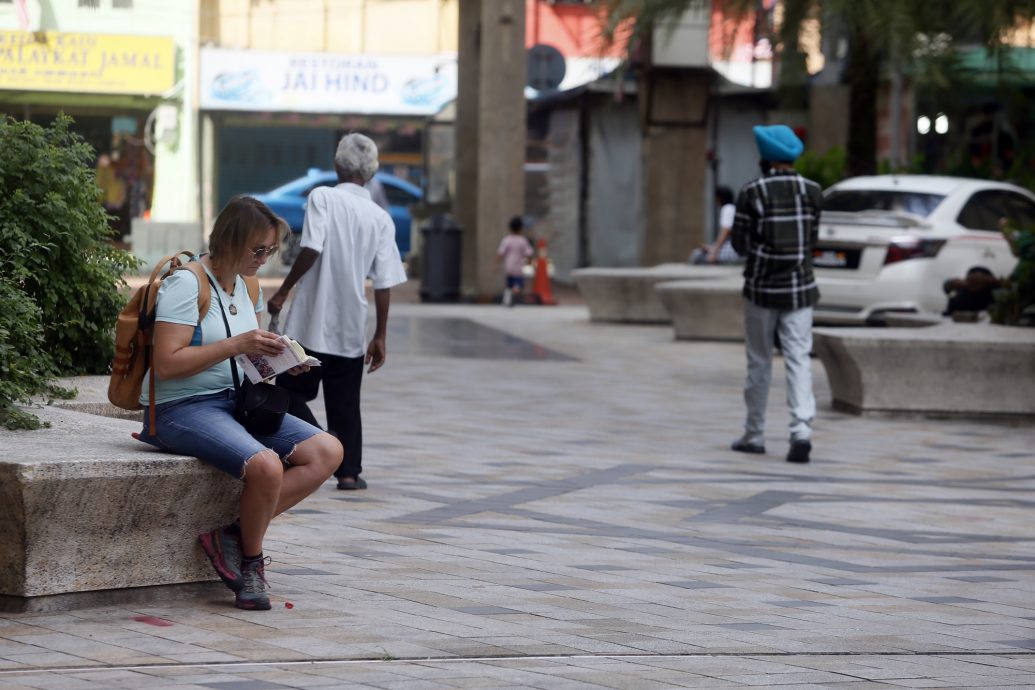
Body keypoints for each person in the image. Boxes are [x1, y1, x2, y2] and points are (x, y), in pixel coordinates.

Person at [136, 196, 343, 610]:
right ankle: (251, 563)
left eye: (271, 250)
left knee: (328, 450)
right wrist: (237, 344)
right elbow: (167, 364)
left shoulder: (247, 286)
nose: (265, 259)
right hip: (181, 408)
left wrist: (281, 363)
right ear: (230, 240)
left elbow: (246, 358)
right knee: (265, 464)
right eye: (258, 250)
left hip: (236, 401)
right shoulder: (187, 284)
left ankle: (232, 534)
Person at [267, 133, 407, 492]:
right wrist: (380, 334)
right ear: (372, 172)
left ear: (336, 165)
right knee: (345, 402)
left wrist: (283, 291)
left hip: (310, 320)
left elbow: (312, 246)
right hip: (350, 324)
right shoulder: (380, 217)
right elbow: (385, 280)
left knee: (287, 393)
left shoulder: (323, 197)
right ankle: (347, 472)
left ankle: (319, 446)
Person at [730, 125, 822, 464]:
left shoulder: (751, 192)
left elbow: (740, 245)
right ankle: (801, 431)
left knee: (759, 360)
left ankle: (754, 434)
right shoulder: (813, 191)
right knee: (799, 357)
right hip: (800, 288)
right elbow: (812, 240)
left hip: (761, 288)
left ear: (764, 158)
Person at [690, 186, 742, 265]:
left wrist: (714, 252)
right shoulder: (734, 208)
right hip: (737, 248)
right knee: (702, 251)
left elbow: (725, 231)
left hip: (735, 250)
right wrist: (711, 247)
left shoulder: (727, 209)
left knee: (697, 254)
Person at [497, 215, 534, 307]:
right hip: (518, 266)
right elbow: (528, 252)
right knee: (518, 284)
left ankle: (507, 297)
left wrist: (496, 263)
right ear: (521, 228)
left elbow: (501, 252)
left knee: (509, 284)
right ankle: (514, 293)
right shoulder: (522, 240)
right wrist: (529, 262)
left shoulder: (507, 240)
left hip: (508, 266)